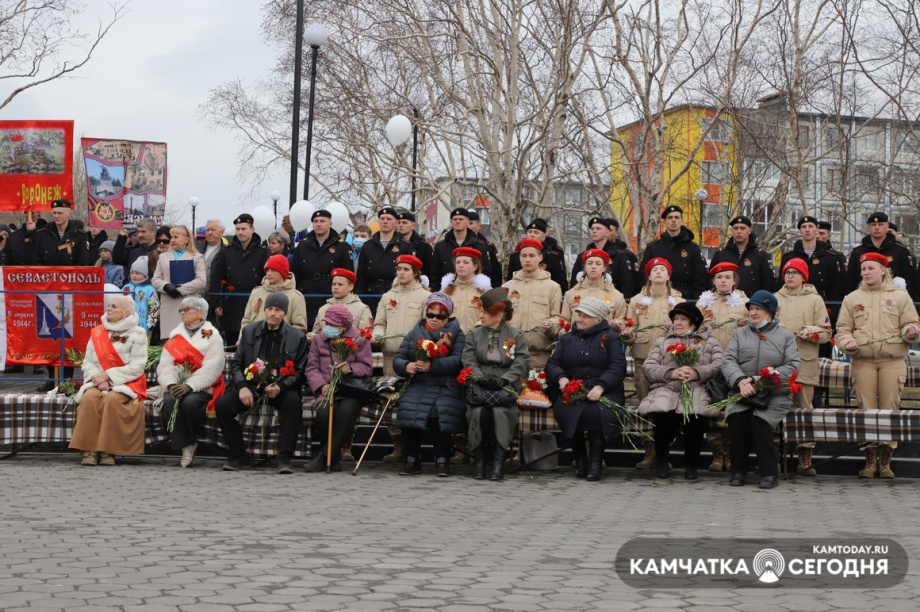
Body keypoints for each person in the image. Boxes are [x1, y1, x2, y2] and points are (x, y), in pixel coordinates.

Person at [836, 252, 920, 479]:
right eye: (863, 269)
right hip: (862, 361)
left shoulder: (901, 297)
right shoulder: (851, 298)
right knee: (866, 409)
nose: (866, 273)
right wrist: (847, 342)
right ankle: (869, 461)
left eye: (871, 268)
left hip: (892, 361)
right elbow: (842, 330)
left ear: (883, 270)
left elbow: (910, 323)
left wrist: (911, 331)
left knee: (890, 409)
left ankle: (885, 463)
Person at [215, 293, 309, 473]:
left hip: (280, 387)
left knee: (293, 403)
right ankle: (239, 456)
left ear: (285, 314)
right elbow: (236, 364)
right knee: (223, 405)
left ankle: (285, 458)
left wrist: (281, 386)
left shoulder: (296, 337)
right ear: (264, 311)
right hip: (252, 384)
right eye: (270, 309)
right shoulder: (250, 331)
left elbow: (300, 371)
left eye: (278, 310)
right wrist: (242, 387)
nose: (273, 313)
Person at [721, 290, 801, 489]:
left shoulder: (785, 336)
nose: (753, 313)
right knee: (738, 420)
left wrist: (763, 378)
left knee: (760, 421)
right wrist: (741, 381)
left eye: (759, 309)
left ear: (771, 312)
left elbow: (793, 365)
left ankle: (769, 472)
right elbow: (728, 360)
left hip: (774, 393)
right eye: (752, 309)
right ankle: (739, 470)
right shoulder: (739, 334)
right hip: (743, 391)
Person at [636, 303, 723, 480]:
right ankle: (662, 461)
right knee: (663, 415)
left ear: (694, 323)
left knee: (695, 419)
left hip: (696, 388)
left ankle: (691, 464)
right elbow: (649, 367)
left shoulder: (709, 342)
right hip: (666, 388)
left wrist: (696, 373)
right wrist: (671, 373)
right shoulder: (662, 342)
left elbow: (719, 365)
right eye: (675, 319)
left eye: (683, 319)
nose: (678, 322)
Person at [545, 297, 627, 482]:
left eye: (585, 316)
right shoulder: (567, 338)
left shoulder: (611, 338)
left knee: (597, 412)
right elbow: (553, 363)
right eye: (579, 315)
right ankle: (580, 458)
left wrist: (601, 386)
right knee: (570, 410)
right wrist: (562, 378)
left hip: (605, 390)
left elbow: (617, 367)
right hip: (572, 389)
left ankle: (595, 463)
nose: (579, 319)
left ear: (598, 319)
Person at [68, 295, 149, 466]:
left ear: (126, 313)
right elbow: (88, 362)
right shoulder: (97, 332)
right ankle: (89, 451)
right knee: (89, 398)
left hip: (127, 383)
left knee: (112, 400)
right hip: (98, 381)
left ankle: (108, 451)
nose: (109, 309)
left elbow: (137, 366)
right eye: (109, 306)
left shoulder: (138, 333)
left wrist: (109, 376)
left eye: (114, 307)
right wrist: (98, 379)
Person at [621, 257, 686, 469]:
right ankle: (649, 450)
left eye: (663, 269)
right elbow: (630, 331)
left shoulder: (679, 301)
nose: (658, 272)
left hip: (671, 365)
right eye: (654, 270)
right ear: (648, 276)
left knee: (667, 408)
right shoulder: (636, 300)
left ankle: (664, 449)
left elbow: (688, 332)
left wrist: (674, 329)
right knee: (646, 406)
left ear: (668, 275)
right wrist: (627, 334)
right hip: (643, 360)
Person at [393, 293, 467, 477]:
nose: (434, 320)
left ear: (447, 317)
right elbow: (399, 358)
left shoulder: (457, 335)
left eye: (440, 316)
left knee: (438, 411)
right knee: (408, 408)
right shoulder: (414, 333)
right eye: (430, 315)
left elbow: (458, 361)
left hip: (445, 383)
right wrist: (406, 366)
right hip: (418, 382)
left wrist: (432, 366)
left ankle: (442, 458)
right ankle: (412, 458)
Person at [461, 287, 530, 480]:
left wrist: (504, 379)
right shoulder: (474, 334)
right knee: (479, 413)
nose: (481, 316)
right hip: (479, 386)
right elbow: (468, 359)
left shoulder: (516, 335)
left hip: (506, 387)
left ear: (498, 315)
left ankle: (498, 463)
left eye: (485, 312)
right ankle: (481, 462)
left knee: (499, 414)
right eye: (481, 311)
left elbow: (521, 360)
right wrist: (480, 378)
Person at [773, 258, 831, 475]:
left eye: (796, 273)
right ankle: (773, 455)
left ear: (804, 277)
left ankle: (805, 457)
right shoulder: (774, 298)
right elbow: (758, 326)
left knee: (804, 409)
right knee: (773, 408)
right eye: (787, 272)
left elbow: (827, 333)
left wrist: (811, 331)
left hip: (803, 364)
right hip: (776, 364)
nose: (790, 276)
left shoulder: (815, 300)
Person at [372, 254, 431, 462]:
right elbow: (379, 322)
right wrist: (377, 333)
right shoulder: (387, 296)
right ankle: (397, 445)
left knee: (411, 402)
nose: (402, 273)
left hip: (414, 359)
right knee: (391, 401)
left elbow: (428, 325)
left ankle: (411, 446)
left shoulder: (425, 296)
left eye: (406, 269)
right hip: (390, 356)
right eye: (399, 269)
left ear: (416, 273)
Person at [156, 296, 226, 468]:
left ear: (201, 313)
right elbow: (164, 365)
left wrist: (190, 385)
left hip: (202, 387)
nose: (183, 313)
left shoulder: (213, 336)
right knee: (168, 401)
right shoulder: (175, 336)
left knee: (190, 403)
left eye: (187, 309)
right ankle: (187, 445)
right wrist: (171, 384)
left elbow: (213, 367)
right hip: (176, 385)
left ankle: (188, 444)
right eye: (182, 310)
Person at [303, 305, 374, 472]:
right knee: (323, 412)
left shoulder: (359, 339)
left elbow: (367, 367)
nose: (328, 327)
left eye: (332, 324)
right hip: (327, 388)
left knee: (346, 412)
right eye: (326, 323)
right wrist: (322, 385)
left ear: (343, 326)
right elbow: (311, 367)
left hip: (351, 389)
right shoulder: (319, 339)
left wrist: (351, 368)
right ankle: (332, 458)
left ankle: (323, 456)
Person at [696, 261, 748, 472]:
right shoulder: (703, 303)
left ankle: (734, 453)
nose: (723, 281)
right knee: (711, 410)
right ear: (714, 281)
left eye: (727, 277)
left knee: (733, 411)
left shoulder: (746, 303)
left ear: (734, 280)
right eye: (719, 277)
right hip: (710, 365)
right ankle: (717, 453)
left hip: (736, 366)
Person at [209, 213, 270, 344]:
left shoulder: (263, 252)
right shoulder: (227, 251)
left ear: (252, 230)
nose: (240, 232)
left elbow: (267, 279)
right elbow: (217, 277)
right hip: (231, 303)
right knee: (231, 342)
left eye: (244, 229)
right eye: (238, 229)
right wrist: (217, 303)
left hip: (254, 302)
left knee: (252, 341)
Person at [502, 238, 562, 371]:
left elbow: (558, 317)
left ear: (540, 257)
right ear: (519, 258)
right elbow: (501, 317)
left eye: (532, 255)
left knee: (536, 391)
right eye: (524, 256)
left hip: (539, 355)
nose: (527, 259)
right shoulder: (507, 287)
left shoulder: (552, 287)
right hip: (510, 354)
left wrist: (551, 325)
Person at [291, 209, 353, 324]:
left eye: (322, 221)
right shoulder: (303, 246)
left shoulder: (342, 247)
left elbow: (348, 276)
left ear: (330, 224)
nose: (318, 224)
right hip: (306, 298)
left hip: (330, 298)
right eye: (315, 221)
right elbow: (294, 273)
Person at [640, 205, 708, 300]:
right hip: (658, 296)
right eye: (670, 217)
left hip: (685, 297)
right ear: (664, 222)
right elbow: (644, 275)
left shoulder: (693, 248)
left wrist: (695, 301)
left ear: (682, 221)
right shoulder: (653, 248)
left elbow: (700, 278)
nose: (673, 220)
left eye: (676, 217)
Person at [152, 226, 207, 339]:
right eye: (171, 237)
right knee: (171, 342)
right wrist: (166, 286)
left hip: (189, 304)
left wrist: (179, 290)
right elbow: (155, 279)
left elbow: (201, 281)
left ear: (186, 240)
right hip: (169, 305)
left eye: (176, 237)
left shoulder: (196, 257)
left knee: (189, 341)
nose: (172, 240)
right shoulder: (163, 257)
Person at [356, 207, 416, 312]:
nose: (385, 221)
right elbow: (361, 276)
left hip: (395, 294)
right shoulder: (368, 246)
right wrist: (360, 299)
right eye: (382, 218)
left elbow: (410, 274)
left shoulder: (404, 246)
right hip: (371, 295)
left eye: (388, 219)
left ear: (396, 223)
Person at [847, 212, 918, 299]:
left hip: (893, 301)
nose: (877, 227)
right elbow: (850, 282)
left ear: (887, 226)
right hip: (865, 299)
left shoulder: (900, 251)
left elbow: (909, 280)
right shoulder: (858, 252)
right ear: (868, 228)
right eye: (873, 225)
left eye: (880, 224)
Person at [780, 216, 846, 305]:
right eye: (804, 227)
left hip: (823, 305)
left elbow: (836, 288)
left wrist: (832, 312)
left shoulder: (830, 257)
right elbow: (781, 286)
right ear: (800, 231)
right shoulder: (789, 257)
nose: (807, 230)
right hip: (795, 304)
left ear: (817, 230)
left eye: (810, 226)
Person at [238, 254, 308, 337]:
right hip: (254, 343)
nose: (269, 273)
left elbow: (299, 327)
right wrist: (242, 338)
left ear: (282, 272)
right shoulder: (256, 292)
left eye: (273, 270)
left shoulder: (295, 296)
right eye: (267, 270)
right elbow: (246, 320)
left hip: (281, 344)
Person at [569, 217, 635, 300]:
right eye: (592, 228)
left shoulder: (619, 256)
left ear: (607, 232)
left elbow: (626, 284)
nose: (594, 231)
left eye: (598, 228)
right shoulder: (583, 256)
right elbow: (575, 284)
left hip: (611, 301)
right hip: (585, 301)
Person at [708, 215, 775, 295]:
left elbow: (769, 285)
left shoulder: (761, 256)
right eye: (736, 228)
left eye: (742, 228)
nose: (739, 231)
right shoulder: (720, 255)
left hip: (751, 304)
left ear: (750, 230)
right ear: (732, 230)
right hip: (725, 302)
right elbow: (710, 282)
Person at [430, 208, 494, 288]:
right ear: (451, 222)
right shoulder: (440, 247)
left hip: (473, 292)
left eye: (461, 219)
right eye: (455, 219)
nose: (457, 221)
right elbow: (434, 275)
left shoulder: (479, 246)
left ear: (467, 222)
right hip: (448, 292)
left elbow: (486, 272)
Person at [561, 249, 627, 326]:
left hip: (604, 337)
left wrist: (618, 327)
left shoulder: (617, 296)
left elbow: (621, 322)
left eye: (598, 264)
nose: (593, 267)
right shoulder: (570, 294)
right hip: (577, 337)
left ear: (604, 268)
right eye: (590, 263)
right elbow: (564, 322)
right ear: (585, 266)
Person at [506, 218, 568, 291]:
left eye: (536, 232)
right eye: (530, 232)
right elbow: (511, 279)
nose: (532, 235)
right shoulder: (516, 255)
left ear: (543, 236)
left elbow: (560, 280)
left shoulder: (553, 255)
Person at [440, 246, 492, 333]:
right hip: (451, 341)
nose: (460, 266)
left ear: (475, 266)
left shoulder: (485, 291)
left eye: (466, 262)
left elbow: (494, 317)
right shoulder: (445, 291)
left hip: (477, 341)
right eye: (458, 262)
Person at [311, 268, 373, 340]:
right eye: (334, 284)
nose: (336, 287)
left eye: (340, 284)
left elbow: (366, 336)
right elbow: (316, 333)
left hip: (352, 350)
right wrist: (311, 336)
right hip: (325, 350)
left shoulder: (362, 309)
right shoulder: (323, 309)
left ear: (351, 286)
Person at [33, 199, 89, 266]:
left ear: (69, 214)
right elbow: (37, 260)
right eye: (54, 213)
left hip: (71, 275)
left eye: (60, 213)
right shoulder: (43, 234)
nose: (56, 216)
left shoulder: (79, 235)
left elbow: (83, 262)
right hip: (48, 275)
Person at [123, 257, 160, 336]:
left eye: (138, 273)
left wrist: (150, 325)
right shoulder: (126, 287)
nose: (134, 276)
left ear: (145, 275)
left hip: (142, 327)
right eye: (132, 273)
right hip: (124, 324)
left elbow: (154, 307)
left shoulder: (149, 289)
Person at [467, 209, 503, 288]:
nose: (467, 226)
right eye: (465, 223)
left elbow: (496, 274)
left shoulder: (488, 247)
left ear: (478, 226)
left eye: (470, 223)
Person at [397, 210, 434, 276]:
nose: (400, 225)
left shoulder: (424, 247)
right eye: (399, 223)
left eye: (404, 223)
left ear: (413, 226)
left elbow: (430, 271)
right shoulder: (394, 244)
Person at [200, 219, 226, 293]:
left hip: (214, 296)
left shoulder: (226, 252)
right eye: (207, 230)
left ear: (222, 232)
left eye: (213, 230)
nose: (209, 233)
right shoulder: (197, 250)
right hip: (196, 295)